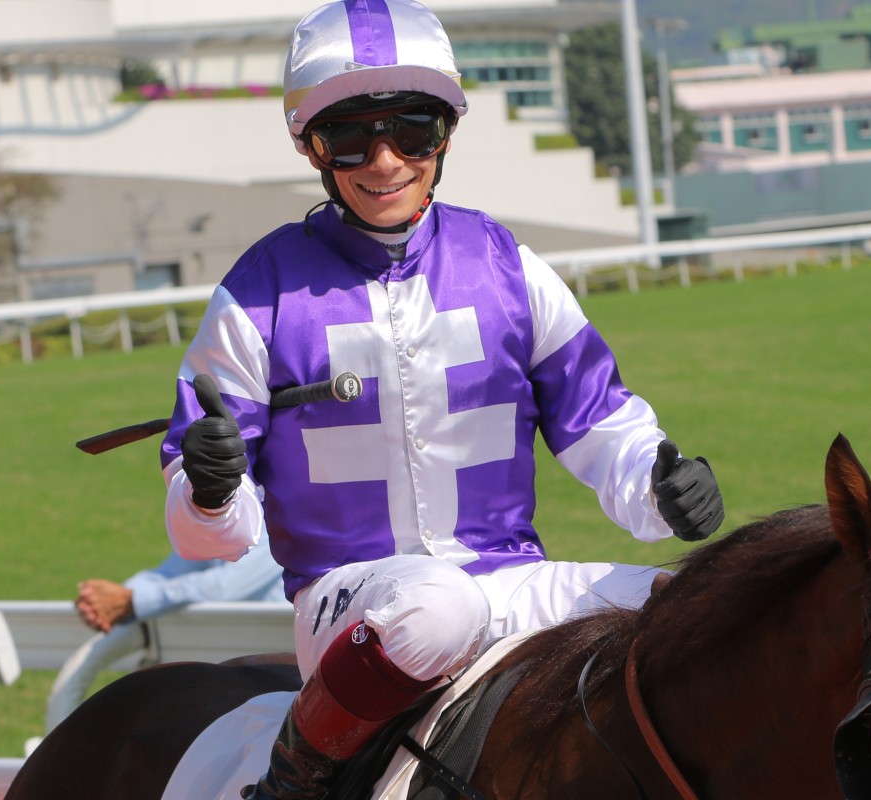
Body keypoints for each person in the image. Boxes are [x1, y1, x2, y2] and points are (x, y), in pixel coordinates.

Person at [158, 1, 724, 797]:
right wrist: (212, 491)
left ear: (447, 133)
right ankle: (292, 778)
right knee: (438, 604)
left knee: (689, 611)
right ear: (310, 146)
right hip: (347, 603)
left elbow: (600, 419)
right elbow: (204, 527)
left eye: (411, 129)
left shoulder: (507, 266)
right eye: (350, 137)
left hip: (509, 580)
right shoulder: (257, 293)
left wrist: (661, 484)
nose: (385, 160)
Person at [42, 538, 287, 735]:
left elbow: (225, 587)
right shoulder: (227, 515)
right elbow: (169, 573)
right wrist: (113, 601)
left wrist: (130, 600)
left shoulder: (274, 513)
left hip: (272, 687)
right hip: (230, 681)